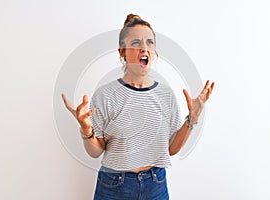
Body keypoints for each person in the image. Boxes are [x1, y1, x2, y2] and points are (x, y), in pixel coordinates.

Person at [62, 14, 214, 200]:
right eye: (136, 42)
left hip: (156, 186)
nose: (144, 47)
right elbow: (95, 151)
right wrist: (86, 129)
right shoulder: (106, 94)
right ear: (122, 52)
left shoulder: (166, 95)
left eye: (150, 42)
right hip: (114, 187)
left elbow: (172, 149)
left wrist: (193, 118)